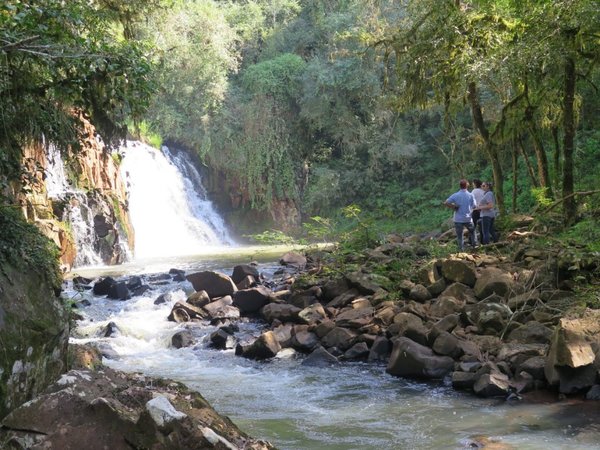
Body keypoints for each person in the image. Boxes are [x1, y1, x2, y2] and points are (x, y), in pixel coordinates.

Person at [443, 179, 477, 252]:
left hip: (458, 219)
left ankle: (461, 250)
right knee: (473, 232)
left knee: (459, 236)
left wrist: (453, 207)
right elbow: (474, 206)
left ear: (460, 186)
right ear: (467, 186)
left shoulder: (455, 195)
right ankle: (475, 247)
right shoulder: (471, 195)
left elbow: (446, 202)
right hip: (468, 218)